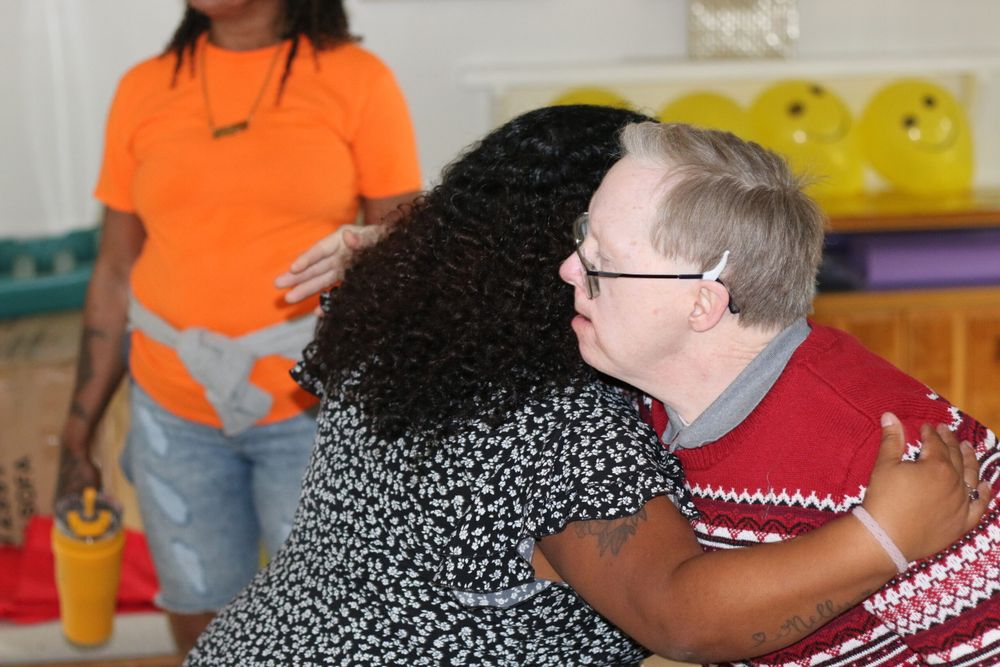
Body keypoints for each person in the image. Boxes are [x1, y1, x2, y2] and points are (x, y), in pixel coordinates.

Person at [185, 105, 985, 666]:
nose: (574, 267)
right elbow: (682, 613)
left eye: (599, 248)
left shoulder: (409, 339)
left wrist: (399, 247)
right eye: (578, 235)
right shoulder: (570, 411)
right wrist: (880, 537)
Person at [559, 120, 999, 666]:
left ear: (701, 305)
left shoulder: (897, 454)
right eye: (582, 236)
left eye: (602, 261)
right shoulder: (639, 405)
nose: (568, 269)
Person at [54, 0, 420, 654]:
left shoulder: (356, 78)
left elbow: (403, 250)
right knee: (203, 619)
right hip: (172, 411)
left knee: (322, 623)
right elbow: (113, 272)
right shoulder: (145, 87)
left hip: (312, 411)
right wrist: (76, 434)